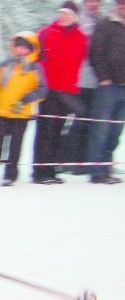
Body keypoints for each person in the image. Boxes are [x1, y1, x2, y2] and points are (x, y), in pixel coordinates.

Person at [0, 32, 48, 187]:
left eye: (25, 48)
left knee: (15, 145)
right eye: (18, 47)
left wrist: (25, 100)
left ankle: (10, 175)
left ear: (32, 49)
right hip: (2, 111)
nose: (21, 50)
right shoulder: (6, 64)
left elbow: (42, 90)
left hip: (21, 114)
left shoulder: (35, 67)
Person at [32, 1, 87, 184]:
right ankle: (40, 171)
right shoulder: (46, 32)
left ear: (75, 17)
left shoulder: (81, 37)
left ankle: (52, 168)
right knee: (45, 130)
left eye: (68, 14)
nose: (63, 16)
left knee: (58, 130)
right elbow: (34, 57)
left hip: (67, 90)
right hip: (48, 88)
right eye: (61, 12)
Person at [61, 0, 103, 175]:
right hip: (79, 79)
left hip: (97, 80)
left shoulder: (102, 21)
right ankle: (69, 159)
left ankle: (85, 159)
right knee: (78, 120)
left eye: (97, 1)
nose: (93, 4)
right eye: (90, 1)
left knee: (90, 122)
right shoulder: (79, 22)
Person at [86, 0, 125, 184]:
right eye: (121, 4)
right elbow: (96, 52)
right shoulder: (106, 23)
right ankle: (97, 171)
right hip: (109, 86)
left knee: (116, 130)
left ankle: (107, 168)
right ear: (117, 5)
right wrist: (103, 77)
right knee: (101, 129)